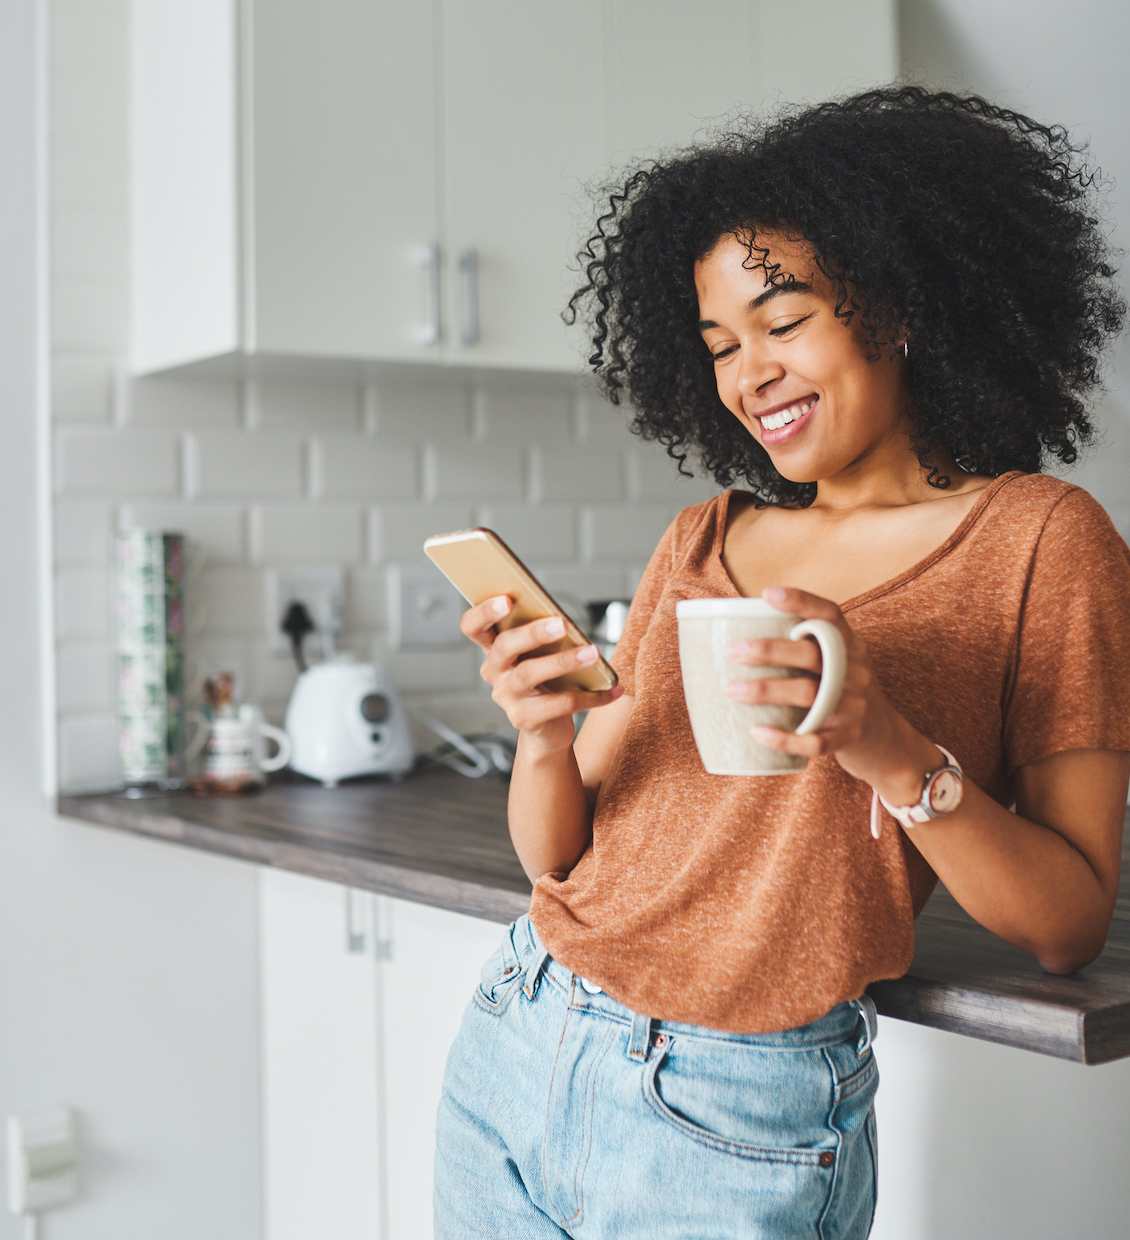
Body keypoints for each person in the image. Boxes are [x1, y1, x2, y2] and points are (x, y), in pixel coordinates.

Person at [433, 87, 1130, 1238]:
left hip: (735, 1112)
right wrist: (543, 733)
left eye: (781, 320)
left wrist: (882, 740)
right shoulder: (700, 539)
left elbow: (1067, 920)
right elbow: (558, 854)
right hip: (520, 1030)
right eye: (718, 346)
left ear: (896, 304)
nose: (748, 373)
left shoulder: (1043, 542)